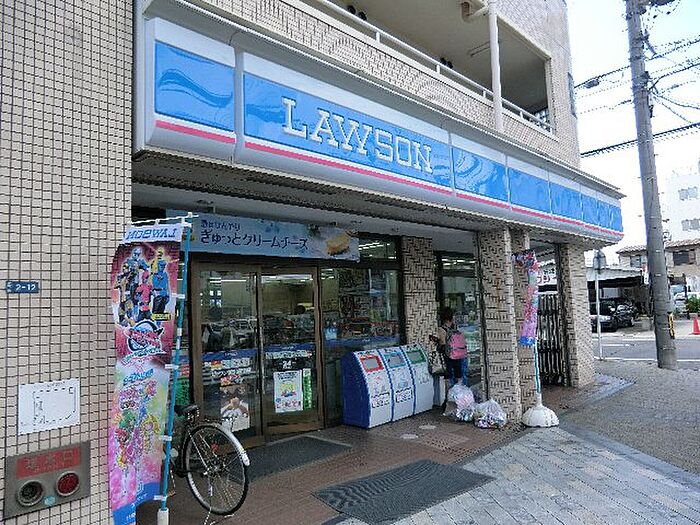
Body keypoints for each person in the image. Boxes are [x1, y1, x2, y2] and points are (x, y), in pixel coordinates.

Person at [436, 307, 468, 391]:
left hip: (449, 356)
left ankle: (450, 394)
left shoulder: (441, 329)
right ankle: (460, 392)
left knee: (449, 376)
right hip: (459, 354)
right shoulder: (455, 327)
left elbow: (443, 343)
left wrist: (437, 343)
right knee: (459, 374)